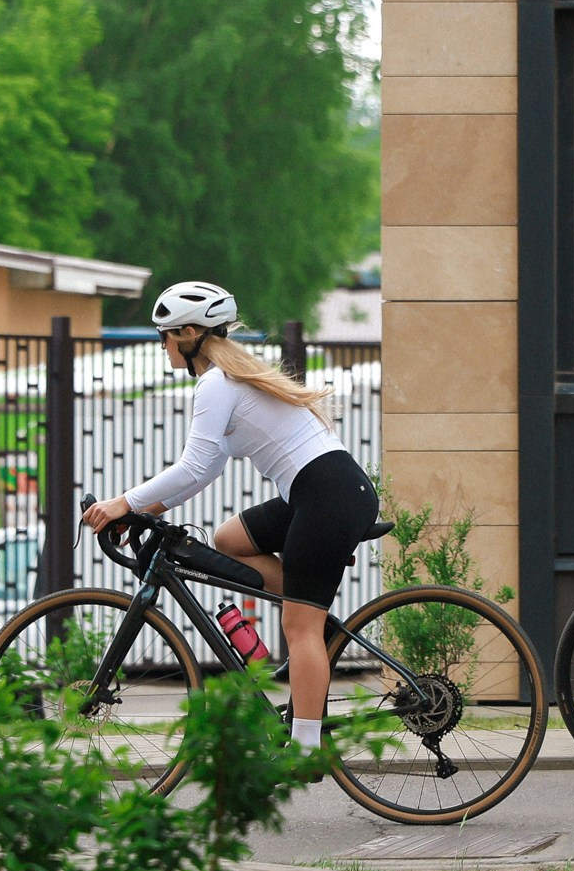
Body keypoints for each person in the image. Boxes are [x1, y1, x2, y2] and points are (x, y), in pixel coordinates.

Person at [81, 280, 379, 750]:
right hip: (323, 494)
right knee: (229, 539)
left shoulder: (217, 383)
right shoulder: (229, 379)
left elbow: (192, 466)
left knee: (298, 627)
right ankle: (314, 613)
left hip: (328, 496)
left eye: (164, 335)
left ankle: (305, 750)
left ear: (189, 334)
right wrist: (139, 510)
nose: (162, 345)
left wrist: (124, 502)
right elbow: (205, 471)